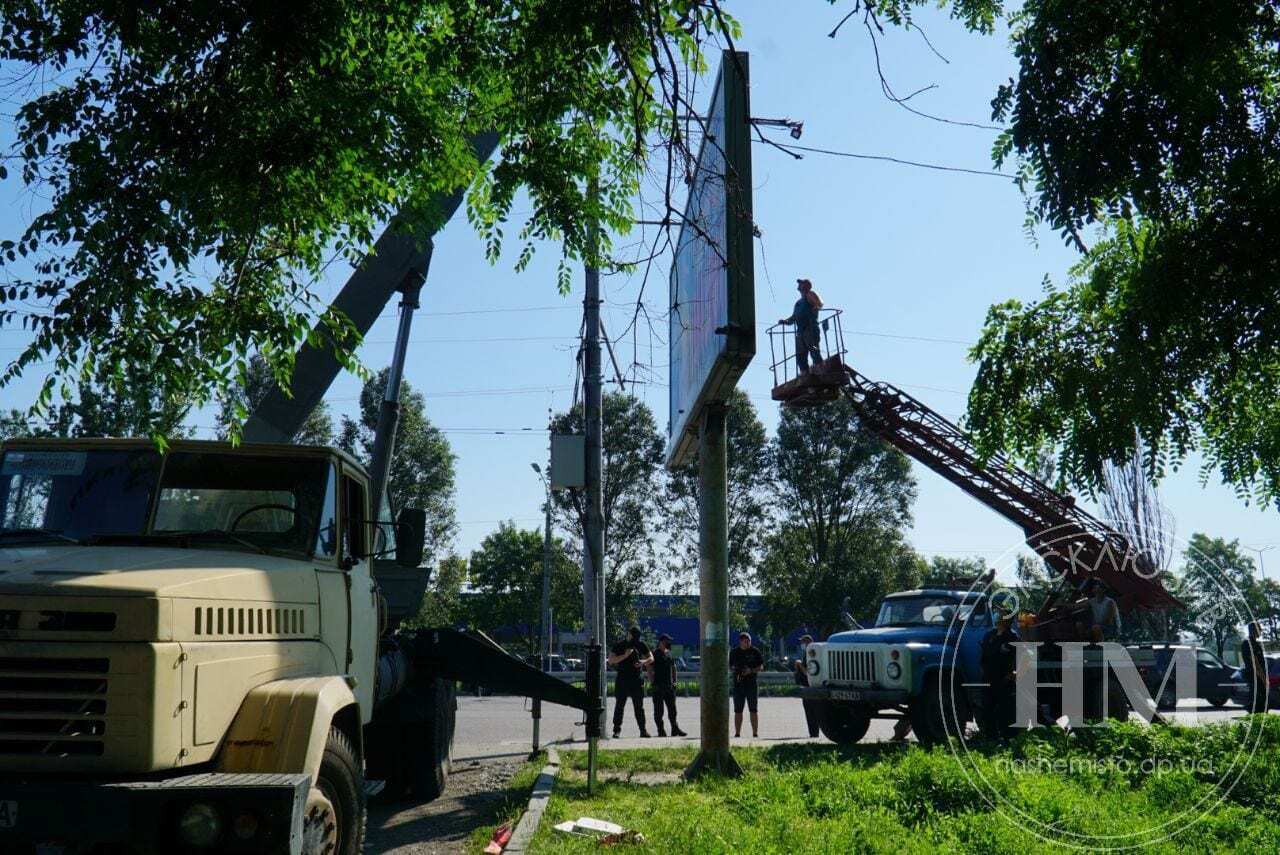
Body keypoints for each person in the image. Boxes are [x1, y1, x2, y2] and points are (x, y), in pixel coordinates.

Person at [607, 626, 653, 738]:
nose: (635, 639)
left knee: (639, 706)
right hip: (622, 679)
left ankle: (643, 730)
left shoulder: (641, 644)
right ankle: (616, 731)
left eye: (637, 637)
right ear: (629, 634)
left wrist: (643, 662)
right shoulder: (620, 645)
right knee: (619, 706)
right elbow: (611, 660)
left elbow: (651, 658)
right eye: (633, 636)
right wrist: (625, 655)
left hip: (637, 679)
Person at [980, 612, 1020, 737]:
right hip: (988, 678)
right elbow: (983, 655)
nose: (998, 617)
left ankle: (1009, 739)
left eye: (1002, 616)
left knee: (1006, 710)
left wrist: (1016, 672)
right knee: (988, 709)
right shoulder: (989, 635)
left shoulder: (1012, 637)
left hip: (1005, 679)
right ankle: (990, 738)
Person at [777, 278, 824, 375]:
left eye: (801, 283)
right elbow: (794, 317)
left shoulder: (810, 294)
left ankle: (821, 371)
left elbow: (819, 303)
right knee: (800, 357)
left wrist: (816, 307)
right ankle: (805, 376)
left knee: (814, 351)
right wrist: (785, 321)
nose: (799, 285)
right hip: (800, 332)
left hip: (810, 329)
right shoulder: (798, 303)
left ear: (806, 286)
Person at [650, 634, 687, 737]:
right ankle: (660, 730)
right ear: (661, 642)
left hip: (669, 686)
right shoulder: (655, 654)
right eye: (667, 641)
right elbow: (649, 668)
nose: (669, 643)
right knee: (659, 710)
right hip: (658, 686)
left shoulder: (669, 654)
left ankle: (675, 729)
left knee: (672, 710)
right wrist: (652, 681)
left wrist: (675, 681)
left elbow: (673, 667)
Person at [729, 632, 765, 738]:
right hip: (738, 683)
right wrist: (736, 669)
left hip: (751, 684)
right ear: (740, 641)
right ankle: (737, 733)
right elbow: (730, 666)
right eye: (745, 641)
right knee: (738, 710)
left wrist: (751, 670)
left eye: (749, 640)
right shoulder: (734, 652)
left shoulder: (755, 651)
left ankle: (755, 733)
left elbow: (761, 666)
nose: (747, 642)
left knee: (753, 709)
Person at [794, 634, 821, 738]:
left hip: (810, 687)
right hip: (807, 685)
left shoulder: (812, 654)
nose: (802, 644)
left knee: (811, 711)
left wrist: (799, 664)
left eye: (803, 642)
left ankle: (814, 734)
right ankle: (813, 733)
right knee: (810, 711)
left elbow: (808, 673)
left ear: (809, 642)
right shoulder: (807, 653)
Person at [1242, 621, 1268, 713]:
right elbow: (1255, 664)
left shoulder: (1256, 643)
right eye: (1259, 629)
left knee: (1262, 703)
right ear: (1254, 630)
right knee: (1258, 704)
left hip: (1258, 678)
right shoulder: (1248, 643)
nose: (1260, 631)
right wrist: (1264, 679)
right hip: (1255, 678)